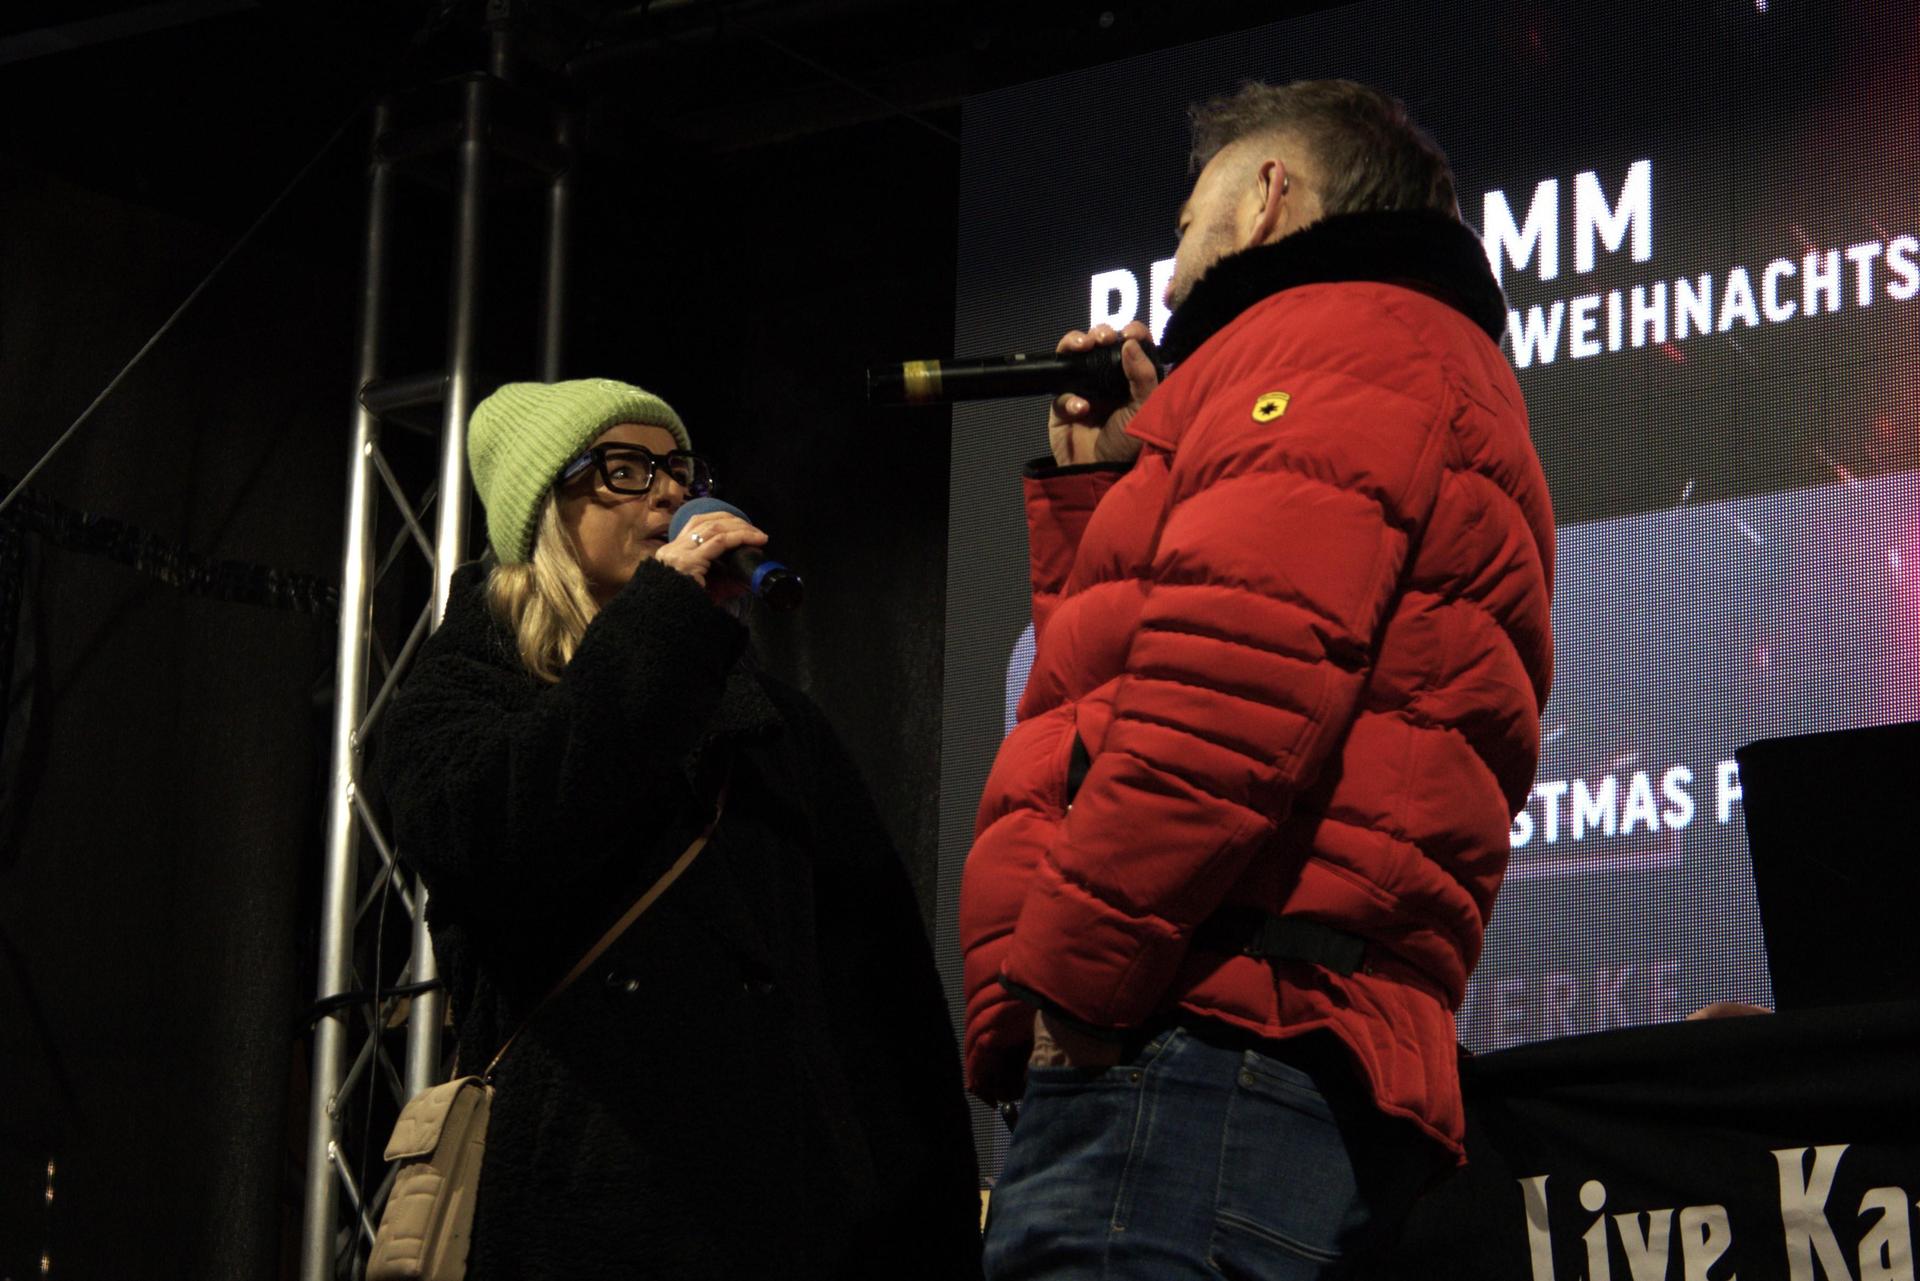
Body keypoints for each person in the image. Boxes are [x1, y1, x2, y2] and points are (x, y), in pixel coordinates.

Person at [960, 80, 1556, 1278]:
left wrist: (1074, 990)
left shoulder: (1332, 345)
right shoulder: (1390, 353)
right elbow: (1128, 680)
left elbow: (1226, 705)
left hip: (1205, 1036)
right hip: (1241, 1039)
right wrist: (1102, 488)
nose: (1173, 269)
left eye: (1187, 224)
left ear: (1269, 197)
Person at [377, 378, 981, 1280]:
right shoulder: (464, 692)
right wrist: (660, 623)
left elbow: (883, 1001)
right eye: (625, 468)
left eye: (680, 469)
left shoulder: (775, 727)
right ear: (543, 509)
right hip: (580, 1211)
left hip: (785, 1225)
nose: (667, 492)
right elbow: (501, 836)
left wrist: (926, 1228)